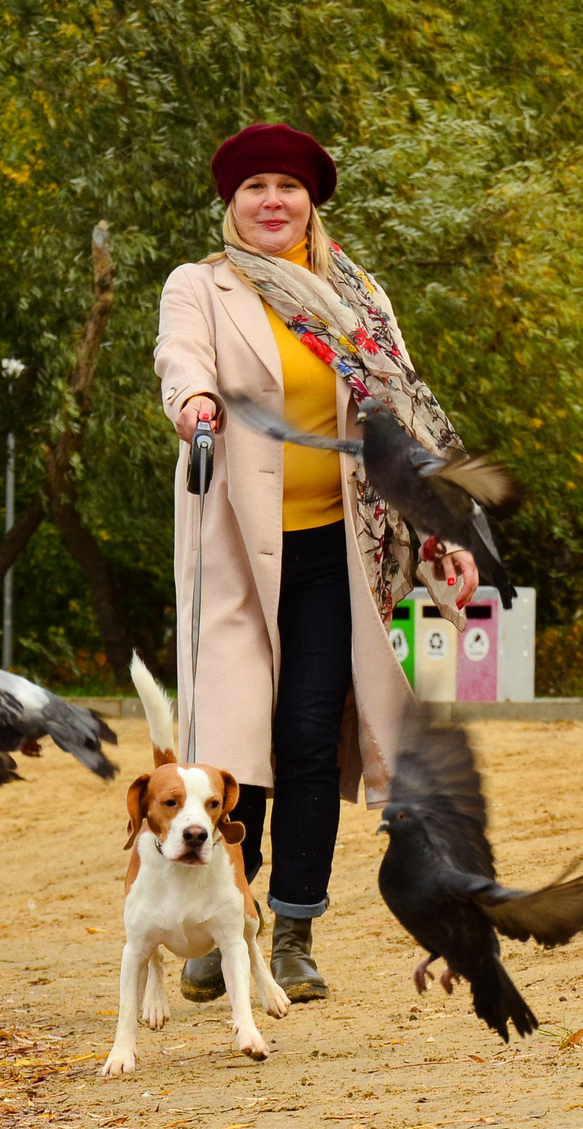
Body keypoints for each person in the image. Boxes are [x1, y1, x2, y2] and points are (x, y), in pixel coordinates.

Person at [153, 123, 480, 1002]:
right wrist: (194, 403)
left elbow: (405, 421)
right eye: (254, 187)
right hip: (233, 552)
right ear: (232, 202)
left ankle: (291, 932)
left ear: (310, 202)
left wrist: (443, 533)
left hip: (342, 549)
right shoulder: (202, 286)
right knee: (228, 747)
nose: (271, 201)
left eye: (287, 188)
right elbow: (179, 356)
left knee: (305, 740)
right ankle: (225, 920)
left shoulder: (359, 298)